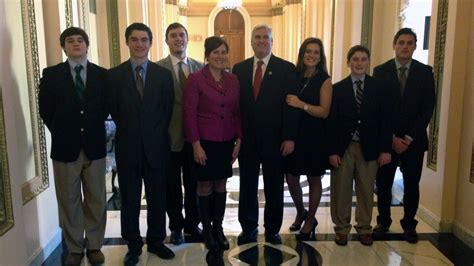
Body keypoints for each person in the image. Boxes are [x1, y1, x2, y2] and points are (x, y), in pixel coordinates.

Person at [106, 23, 175, 264]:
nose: (139, 44)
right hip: (128, 148)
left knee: (158, 198)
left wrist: (153, 133)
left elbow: (167, 110)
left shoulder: (163, 75)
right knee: (130, 200)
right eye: (134, 39)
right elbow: (114, 110)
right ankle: (133, 244)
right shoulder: (113, 76)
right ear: (127, 42)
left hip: (157, 148)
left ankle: (156, 241)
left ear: (150, 43)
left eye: (144, 40)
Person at [38, 27, 107, 265]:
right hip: (65, 148)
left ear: (87, 46)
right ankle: (75, 247)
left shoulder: (102, 75)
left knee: (96, 198)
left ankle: (95, 245)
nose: (76, 44)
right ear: (64, 47)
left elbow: (105, 107)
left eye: (80, 40)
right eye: (70, 41)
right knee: (69, 200)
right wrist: (62, 130)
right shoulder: (51, 75)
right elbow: (45, 110)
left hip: (95, 146)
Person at [233, 24, 299, 245]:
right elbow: (236, 106)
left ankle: (272, 229)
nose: (261, 41)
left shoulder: (286, 69)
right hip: (248, 141)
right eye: (257, 37)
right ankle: (248, 228)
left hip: (276, 140)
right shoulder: (239, 69)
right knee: (247, 186)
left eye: (265, 37)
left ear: (272, 41)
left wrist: (289, 137)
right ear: (251, 42)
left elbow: (291, 106)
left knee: (274, 187)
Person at [372, 28, 435, 243]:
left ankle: (409, 224)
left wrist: (407, 138)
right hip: (386, 141)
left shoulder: (425, 72)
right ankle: (383, 221)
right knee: (383, 183)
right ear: (394, 45)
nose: (405, 46)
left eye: (410, 43)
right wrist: (390, 138)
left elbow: (427, 109)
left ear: (415, 46)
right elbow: (377, 109)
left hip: (413, 142)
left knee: (411, 184)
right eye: (401, 42)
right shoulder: (380, 71)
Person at [327, 45, 392, 246]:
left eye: (363, 59)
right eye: (355, 59)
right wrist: (332, 151)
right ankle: (341, 228)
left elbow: (385, 120)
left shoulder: (378, 88)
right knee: (341, 190)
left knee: (365, 189)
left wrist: (385, 149)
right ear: (349, 62)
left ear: (368, 62)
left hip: (369, 148)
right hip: (344, 148)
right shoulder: (338, 89)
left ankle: (364, 228)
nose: (359, 63)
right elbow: (332, 122)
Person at [183, 36, 241, 251]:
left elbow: (237, 113)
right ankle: (206, 229)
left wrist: (239, 140)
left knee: (221, 184)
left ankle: (218, 228)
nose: (220, 56)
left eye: (223, 52)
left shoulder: (233, 80)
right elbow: (189, 114)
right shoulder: (196, 79)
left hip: (226, 140)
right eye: (215, 52)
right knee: (205, 184)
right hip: (204, 141)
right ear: (207, 56)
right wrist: (196, 145)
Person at [157, 22, 204, 245]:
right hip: (169, 139)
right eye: (173, 36)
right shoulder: (157, 69)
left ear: (187, 39)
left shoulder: (201, 67)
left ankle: (193, 226)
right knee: (172, 185)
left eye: (182, 35)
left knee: (194, 184)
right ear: (167, 41)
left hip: (196, 139)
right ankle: (176, 227)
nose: (178, 39)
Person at [285, 38, 332, 240]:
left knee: (314, 178)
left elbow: (324, 112)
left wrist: (300, 104)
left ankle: (311, 219)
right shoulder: (293, 75)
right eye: (308, 51)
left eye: (316, 52)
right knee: (291, 177)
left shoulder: (325, 80)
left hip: (315, 137)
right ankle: (301, 211)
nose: (311, 55)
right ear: (302, 54)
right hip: (294, 135)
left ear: (320, 57)